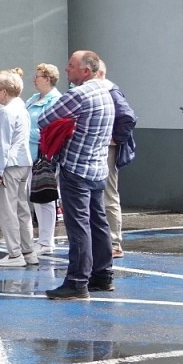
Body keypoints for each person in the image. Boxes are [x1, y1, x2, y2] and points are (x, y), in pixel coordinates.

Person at [38, 50, 115, 300]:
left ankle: (77, 282)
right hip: (98, 167)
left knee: (78, 226)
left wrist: (67, 125)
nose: (67, 69)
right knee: (98, 222)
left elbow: (45, 118)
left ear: (85, 71)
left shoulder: (79, 94)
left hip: (76, 167)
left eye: (71, 65)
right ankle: (103, 276)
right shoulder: (107, 91)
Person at [0, 69, 36, 267]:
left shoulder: (6, 111)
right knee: (23, 209)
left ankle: (15, 254)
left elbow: (3, 144)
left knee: (7, 211)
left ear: (5, 91)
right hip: (24, 162)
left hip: (10, 164)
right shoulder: (22, 108)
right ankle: (28, 251)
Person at [96, 60, 137, 257]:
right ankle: (108, 241)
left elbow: (128, 117)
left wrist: (114, 139)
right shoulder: (104, 90)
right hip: (101, 148)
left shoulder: (110, 91)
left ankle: (114, 242)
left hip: (107, 150)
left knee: (109, 195)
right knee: (103, 194)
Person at [25, 63, 63, 253]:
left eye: (37, 76)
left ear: (47, 79)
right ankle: (41, 239)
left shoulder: (55, 101)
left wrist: (23, 132)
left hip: (45, 156)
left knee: (45, 198)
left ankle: (47, 241)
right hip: (31, 155)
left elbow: (49, 132)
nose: (34, 79)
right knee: (36, 198)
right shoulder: (33, 98)